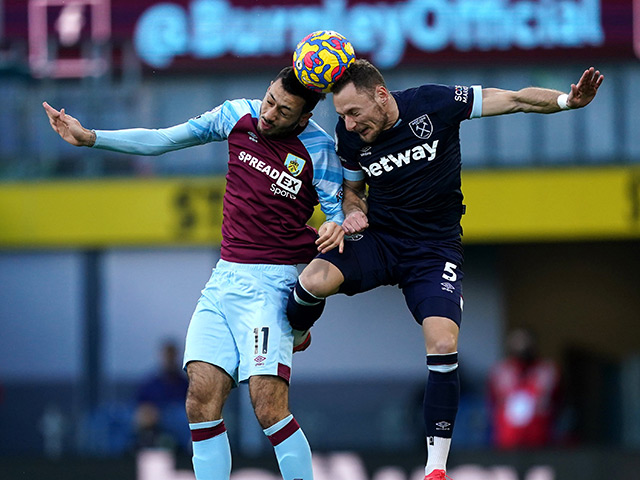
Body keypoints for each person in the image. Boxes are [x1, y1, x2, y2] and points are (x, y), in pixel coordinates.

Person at [286, 59, 603, 480]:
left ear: (381, 96)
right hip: (383, 241)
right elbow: (353, 191)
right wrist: (352, 212)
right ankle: (300, 332)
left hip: (434, 251)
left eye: (353, 112)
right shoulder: (350, 137)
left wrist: (566, 100)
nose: (347, 122)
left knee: (441, 342)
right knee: (311, 280)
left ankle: (436, 469)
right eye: (341, 115)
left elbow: (511, 100)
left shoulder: (433, 103)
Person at [43, 65, 346, 480]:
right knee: (199, 402)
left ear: (305, 117)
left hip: (272, 285)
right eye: (270, 99)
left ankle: (296, 326)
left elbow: (340, 220)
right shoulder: (237, 114)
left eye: (282, 110)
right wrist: (91, 137)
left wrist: (337, 223)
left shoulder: (321, 150)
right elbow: (165, 139)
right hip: (223, 281)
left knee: (268, 407)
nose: (269, 113)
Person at [487, 328, 563, 449]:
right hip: (507, 441)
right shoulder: (501, 372)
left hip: (540, 440)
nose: (521, 347)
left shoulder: (547, 371)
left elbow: (558, 402)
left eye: (525, 342)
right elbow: (492, 403)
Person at [134, 340, 190, 452]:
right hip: (154, 429)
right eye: (167, 355)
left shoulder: (185, 384)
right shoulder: (149, 384)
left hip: (180, 431)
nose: (170, 359)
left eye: (172, 355)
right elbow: (139, 409)